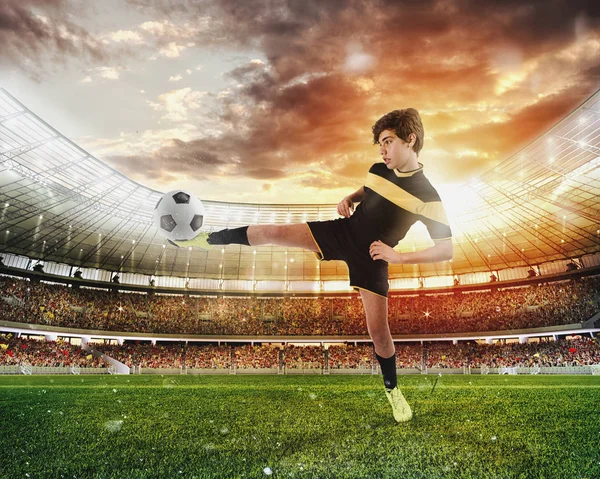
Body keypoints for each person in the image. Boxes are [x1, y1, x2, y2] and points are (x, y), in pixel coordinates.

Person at [174, 108, 453, 422]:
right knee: (273, 231)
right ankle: (203, 240)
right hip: (341, 232)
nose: (382, 150)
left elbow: (446, 249)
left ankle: (393, 392)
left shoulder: (429, 196)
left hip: (372, 257)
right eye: (379, 143)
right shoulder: (377, 168)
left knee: (379, 334)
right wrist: (350, 197)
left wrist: (399, 257)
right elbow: (369, 189)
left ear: (410, 139)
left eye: (388, 142)